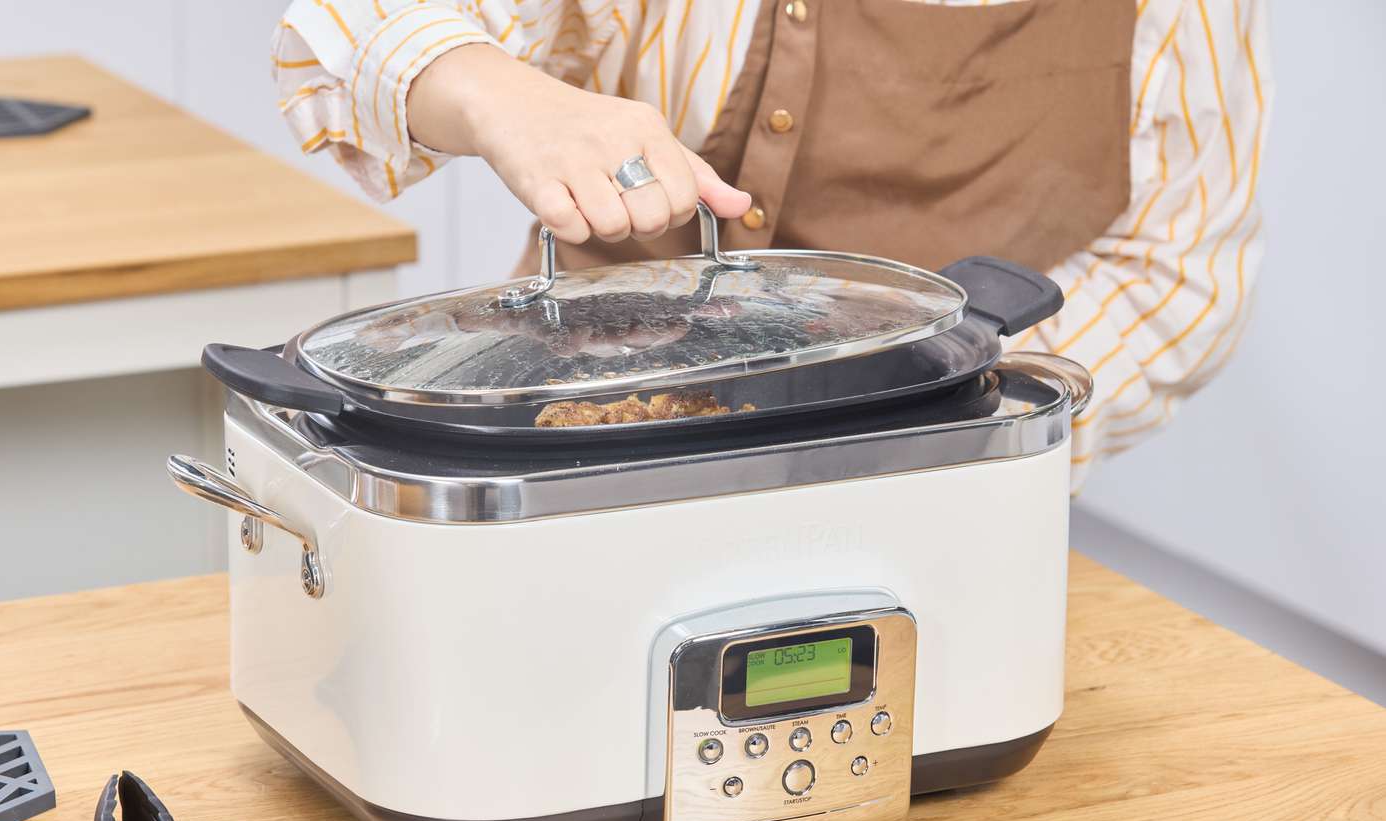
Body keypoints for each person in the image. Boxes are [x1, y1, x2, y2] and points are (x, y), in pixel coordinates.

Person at [272, 0, 1271, 488]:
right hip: (574, 482)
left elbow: (1178, 267)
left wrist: (961, 428)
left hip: (945, 516)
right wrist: (504, 96)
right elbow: (338, 37)